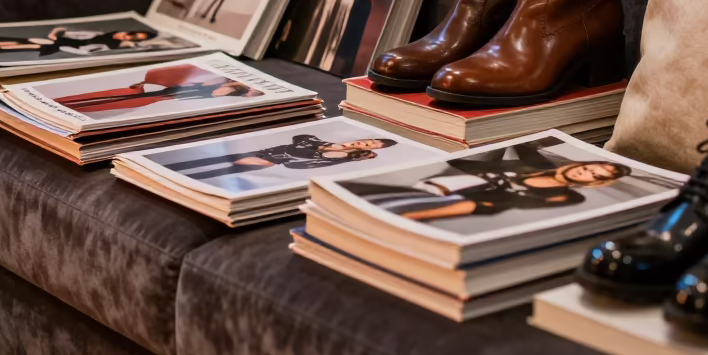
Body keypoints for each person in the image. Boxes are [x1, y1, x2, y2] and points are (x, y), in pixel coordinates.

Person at [342, 141, 674, 222]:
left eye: (596, 177)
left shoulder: (564, 198)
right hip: (427, 186)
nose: (586, 172)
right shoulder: (531, 165)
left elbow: (492, 205)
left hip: (451, 203)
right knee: (358, 199)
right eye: (592, 168)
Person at [170, 134, 397, 181]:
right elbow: (300, 138)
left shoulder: (337, 158)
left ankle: (183, 180)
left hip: (266, 160)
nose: (363, 143)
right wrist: (326, 145)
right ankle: (172, 169)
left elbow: (300, 165)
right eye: (367, 140)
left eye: (368, 146)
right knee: (198, 161)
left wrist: (273, 161)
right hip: (258, 152)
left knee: (210, 172)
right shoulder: (327, 141)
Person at [53, 63, 263, 113]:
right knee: (107, 96)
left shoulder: (228, 91)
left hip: (157, 99)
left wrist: (236, 88)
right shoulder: (214, 82)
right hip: (149, 92)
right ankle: (60, 104)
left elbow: (255, 93)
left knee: (108, 104)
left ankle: (69, 107)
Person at [0, 27, 156, 58]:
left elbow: (91, 49)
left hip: (72, 46)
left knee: (40, 45)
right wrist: (58, 32)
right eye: (131, 34)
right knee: (36, 41)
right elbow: (82, 33)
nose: (127, 37)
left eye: (134, 39)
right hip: (68, 40)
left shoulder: (115, 45)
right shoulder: (109, 34)